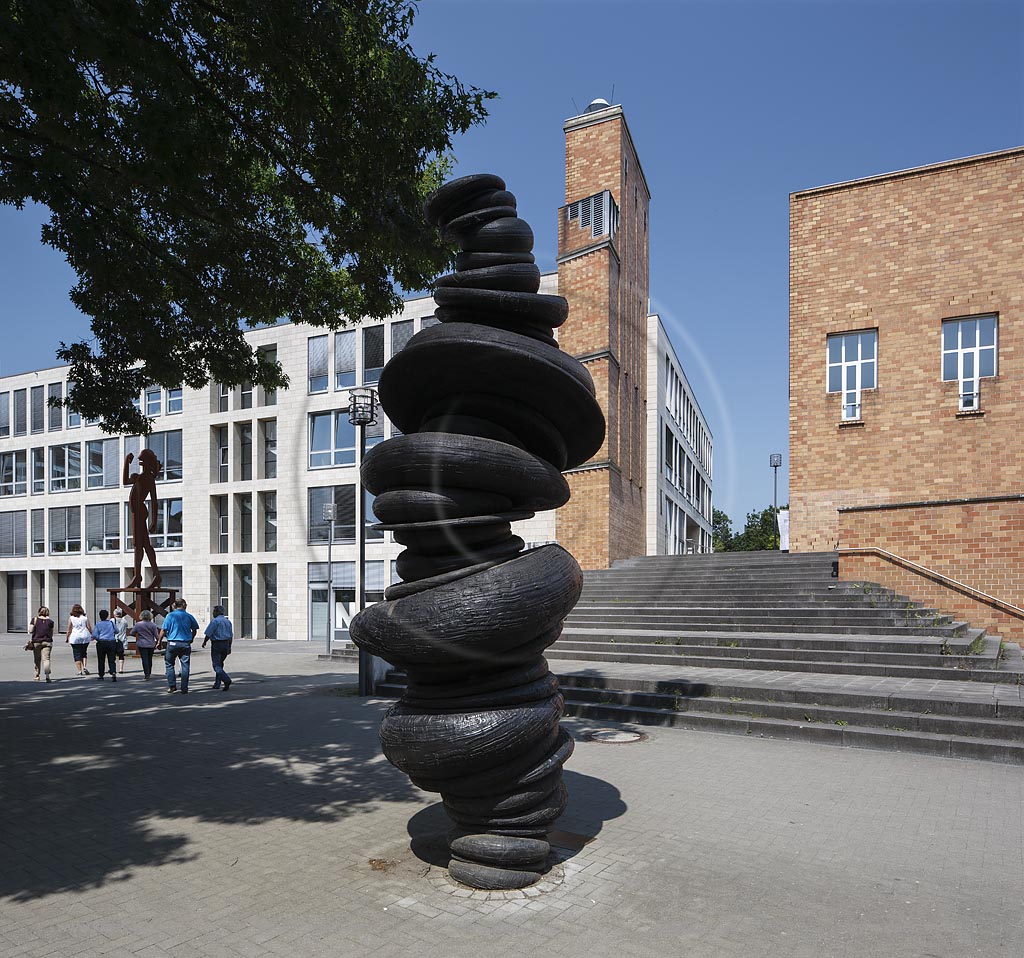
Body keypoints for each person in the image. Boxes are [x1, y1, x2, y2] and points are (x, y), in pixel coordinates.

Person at [124, 448, 163, 589]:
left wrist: (154, 521)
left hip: (140, 513)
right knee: (144, 545)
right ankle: (154, 575)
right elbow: (124, 481)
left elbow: (154, 501)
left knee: (138, 546)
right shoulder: (138, 477)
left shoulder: (149, 479)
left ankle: (138, 575)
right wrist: (126, 463)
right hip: (137, 513)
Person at [160, 598, 199, 694]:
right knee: (185, 665)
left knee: (169, 664)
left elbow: (164, 630)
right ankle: (184, 688)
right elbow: (194, 629)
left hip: (172, 643)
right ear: (184, 605)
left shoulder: (170, 616)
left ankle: (172, 686)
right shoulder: (189, 616)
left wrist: (159, 641)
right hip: (185, 643)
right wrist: (191, 639)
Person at [202, 605, 233, 691]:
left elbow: (208, 633)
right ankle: (217, 683)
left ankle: (226, 679)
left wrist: (204, 642)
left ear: (216, 612)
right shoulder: (228, 622)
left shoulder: (215, 621)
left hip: (217, 644)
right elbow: (231, 636)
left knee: (216, 665)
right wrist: (229, 647)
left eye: (213, 611)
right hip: (226, 643)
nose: (213, 613)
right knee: (220, 663)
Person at [130, 610, 160, 680]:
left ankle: (146, 674)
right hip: (151, 644)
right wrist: (159, 642)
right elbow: (156, 636)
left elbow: (132, 633)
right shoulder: (153, 625)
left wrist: (137, 636)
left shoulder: (138, 624)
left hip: (142, 643)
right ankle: (149, 672)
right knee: (150, 659)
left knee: (144, 659)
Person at [27, 606, 54, 682]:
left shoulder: (34, 620)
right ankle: (47, 676)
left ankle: (37, 675)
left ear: (39, 612)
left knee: (37, 659)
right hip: (47, 642)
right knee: (46, 659)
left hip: (36, 641)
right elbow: (51, 634)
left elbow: (31, 630)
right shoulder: (50, 622)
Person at [66, 604, 93, 676]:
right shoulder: (85, 618)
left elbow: (69, 629)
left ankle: (79, 671)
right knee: (84, 653)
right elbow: (89, 627)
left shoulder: (71, 618)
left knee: (77, 654)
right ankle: (84, 667)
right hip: (85, 636)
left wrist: (67, 637)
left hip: (75, 637)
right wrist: (92, 634)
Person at [92, 610, 118, 681]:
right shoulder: (111, 623)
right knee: (112, 659)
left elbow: (94, 635)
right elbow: (117, 631)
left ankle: (101, 675)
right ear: (107, 616)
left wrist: (98, 639)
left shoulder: (98, 624)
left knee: (101, 659)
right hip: (111, 642)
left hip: (102, 642)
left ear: (100, 616)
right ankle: (113, 671)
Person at [113, 608, 129, 673]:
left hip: (113, 639)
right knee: (121, 655)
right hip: (122, 639)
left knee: (112, 655)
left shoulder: (112, 620)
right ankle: (121, 669)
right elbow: (126, 628)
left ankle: (113, 668)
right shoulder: (124, 621)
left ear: (114, 614)